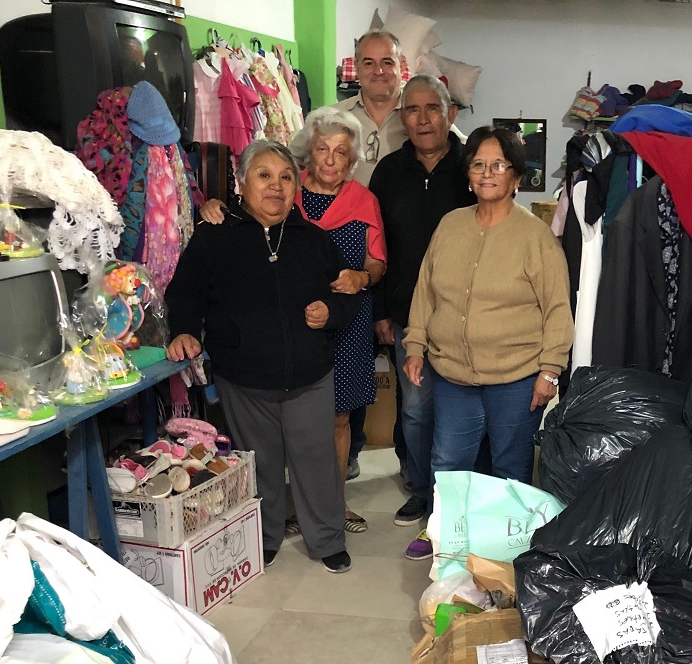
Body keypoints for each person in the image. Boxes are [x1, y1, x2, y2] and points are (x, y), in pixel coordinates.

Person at [166, 139, 356, 573]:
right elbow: (185, 292)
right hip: (244, 378)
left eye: (286, 177)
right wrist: (183, 331)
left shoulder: (314, 240)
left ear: (296, 188)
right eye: (264, 176)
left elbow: (348, 295)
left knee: (316, 461)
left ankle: (327, 539)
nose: (276, 186)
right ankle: (264, 537)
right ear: (241, 183)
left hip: (309, 376)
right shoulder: (214, 236)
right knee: (260, 463)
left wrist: (331, 312)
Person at [201, 106, 384, 535]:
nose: (331, 160)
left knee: (335, 420)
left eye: (341, 152)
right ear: (308, 154)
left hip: (344, 318)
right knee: (285, 425)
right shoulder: (288, 191)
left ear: (352, 159)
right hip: (290, 326)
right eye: (322, 149)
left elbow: (377, 262)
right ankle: (287, 508)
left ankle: (331, 506)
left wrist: (360, 277)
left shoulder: (364, 200)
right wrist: (213, 205)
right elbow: (247, 215)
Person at [404, 126, 573, 505]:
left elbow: (558, 308)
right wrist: (415, 345)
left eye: (499, 165)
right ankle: (446, 534)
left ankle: (506, 539)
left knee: (510, 469)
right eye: (479, 165)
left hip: (516, 378)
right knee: (447, 465)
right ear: (468, 176)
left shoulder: (536, 237)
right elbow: (425, 291)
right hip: (453, 377)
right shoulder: (450, 225)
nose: (487, 173)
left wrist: (550, 370)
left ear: (516, 177)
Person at [369, 74, 474, 560]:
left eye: (433, 108)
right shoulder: (388, 172)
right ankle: (421, 487)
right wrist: (382, 311)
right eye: (413, 109)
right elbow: (377, 248)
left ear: (450, 113)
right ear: (402, 117)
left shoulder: (471, 167)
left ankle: (460, 492)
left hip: (465, 316)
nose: (424, 118)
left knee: (462, 407)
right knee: (414, 408)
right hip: (407, 314)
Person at [334, 30, 405, 188]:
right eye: (368, 63)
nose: (378, 71)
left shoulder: (421, 120)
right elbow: (292, 164)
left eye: (387, 62)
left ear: (402, 66)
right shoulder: (331, 118)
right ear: (356, 68)